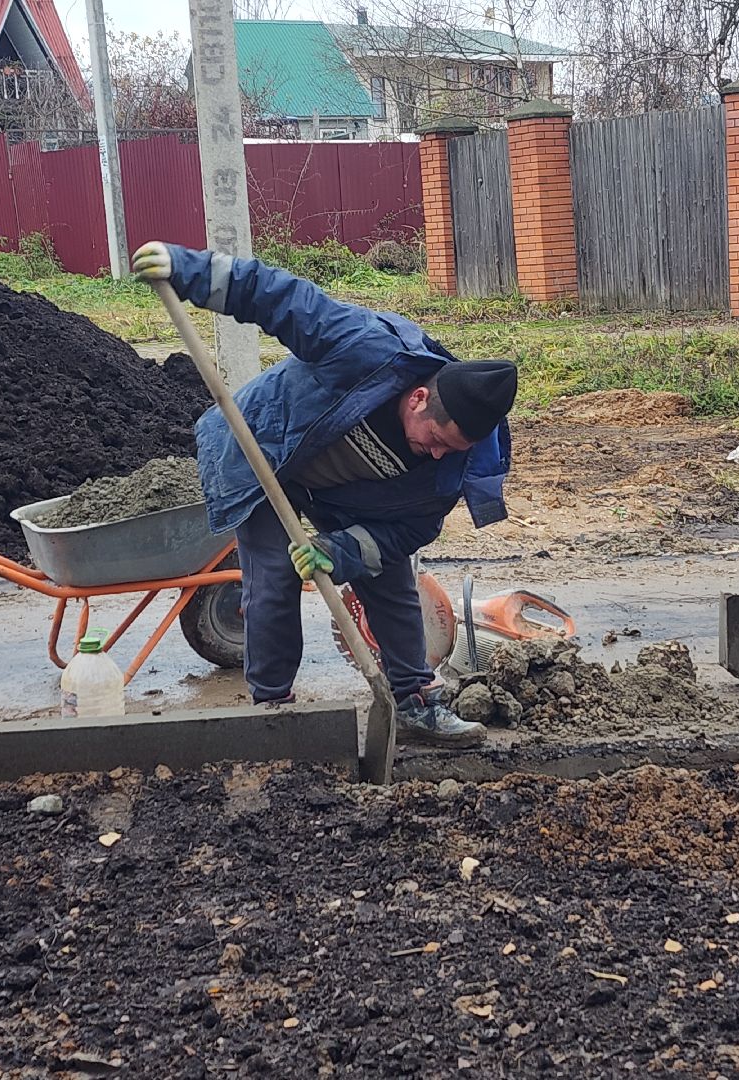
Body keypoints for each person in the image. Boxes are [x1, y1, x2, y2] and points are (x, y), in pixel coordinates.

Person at [131, 240, 517, 746]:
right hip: (269, 452)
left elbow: (407, 530)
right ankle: (273, 712)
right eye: (437, 440)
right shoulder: (365, 350)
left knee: (393, 580)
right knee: (272, 579)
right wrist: (190, 271)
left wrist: (338, 552)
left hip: (350, 492)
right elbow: (282, 298)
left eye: (454, 450)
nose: (440, 454)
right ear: (419, 398)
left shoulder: (452, 468)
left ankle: (414, 702)